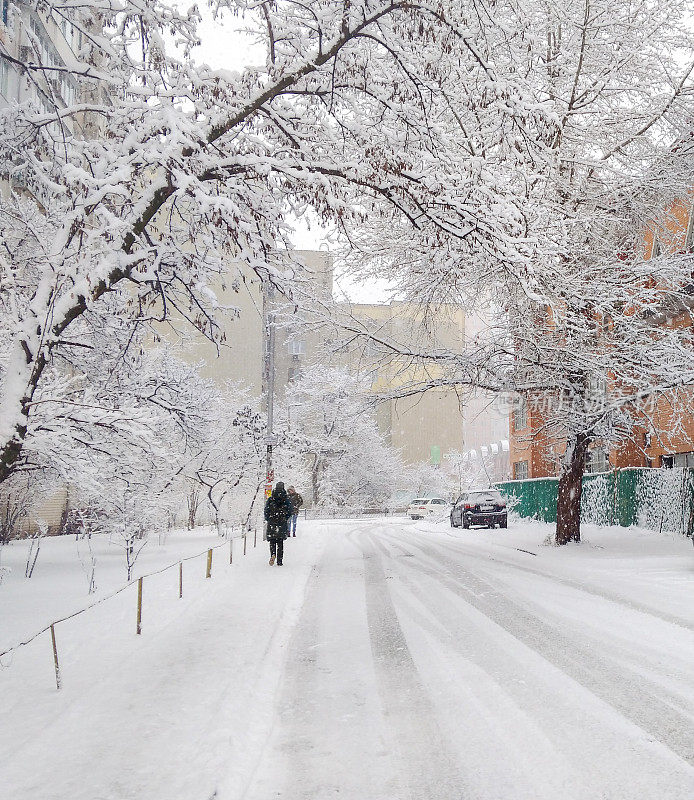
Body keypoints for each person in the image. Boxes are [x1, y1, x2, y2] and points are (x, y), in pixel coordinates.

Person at [264, 481, 294, 566]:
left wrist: (268, 519)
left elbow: (266, 510)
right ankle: (279, 561)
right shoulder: (286, 499)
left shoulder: (271, 498)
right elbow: (289, 510)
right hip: (281, 521)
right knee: (280, 542)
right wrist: (285, 518)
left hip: (272, 521)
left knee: (272, 540)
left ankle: (273, 554)